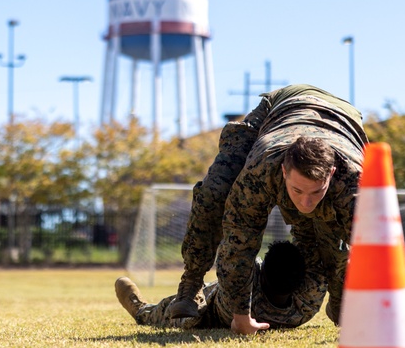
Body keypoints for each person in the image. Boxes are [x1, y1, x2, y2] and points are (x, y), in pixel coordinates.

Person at [166, 84, 367, 334]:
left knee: (335, 237)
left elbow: (372, 250)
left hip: (343, 119)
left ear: (332, 174)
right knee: (214, 193)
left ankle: (340, 298)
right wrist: (241, 314)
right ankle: (191, 284)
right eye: (297, 190)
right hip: (277, 109)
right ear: (284, 171)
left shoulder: (354, 184)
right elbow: (240, 239)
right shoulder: (262, 169)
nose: (306, 202)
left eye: (316, 191)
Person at [115, 240, 315, 332]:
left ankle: (139, 308)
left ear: (260, 273)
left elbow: (230, 255)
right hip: (229, 301)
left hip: (209, 311)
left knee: (164, 312)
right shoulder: (305, 307)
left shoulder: (239, 286)